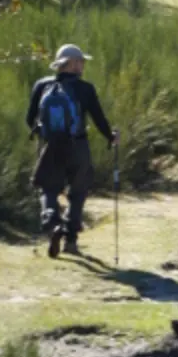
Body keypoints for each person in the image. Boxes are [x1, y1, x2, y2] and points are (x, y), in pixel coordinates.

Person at [27, 44, 118, 259]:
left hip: (50, 146)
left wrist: (43, 134)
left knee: (48, 189)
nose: (83, 65)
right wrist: (111, 137)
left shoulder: (41, 85)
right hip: (78, 145)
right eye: (80, 62)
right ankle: (71, 240)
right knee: (78, 192)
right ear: (72, 64)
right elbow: (98, 119)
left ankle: (51, 222)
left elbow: (29, 118)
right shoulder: (85, 89)